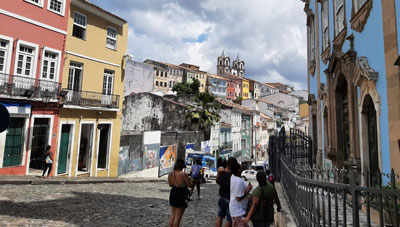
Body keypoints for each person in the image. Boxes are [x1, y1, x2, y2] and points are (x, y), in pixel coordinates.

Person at [168, 159, 193, 227]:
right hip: (181, 194)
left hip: (173, 192)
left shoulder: (171, 173)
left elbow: (170, 185)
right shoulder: (183, 174)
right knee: (178, 217)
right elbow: (190, 185)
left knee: (173, 214)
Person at [229, 158, 252, 227]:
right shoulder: (238, 181)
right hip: (238, 211)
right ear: (238, 170)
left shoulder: (233, 177)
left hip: (237, 210)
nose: (242, 168)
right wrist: (247, 190)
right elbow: (238, 198)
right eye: (240, 167)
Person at [215, 158, 235, 227]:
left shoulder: (222, 173)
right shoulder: (233, 175)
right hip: (230, 198)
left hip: (221, 197)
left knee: (219, 216)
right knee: (229, 219)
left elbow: (217, 181)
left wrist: (219, 172)